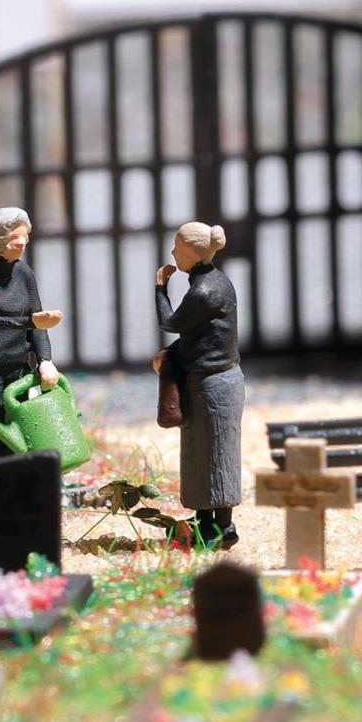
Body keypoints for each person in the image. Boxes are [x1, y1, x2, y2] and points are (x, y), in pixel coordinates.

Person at [155, 221, 243, 548]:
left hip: (212, 384)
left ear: (191, 254)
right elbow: (202, 335)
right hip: (208, 379)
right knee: (201, 452)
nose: (172, 253)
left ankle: (221, 527)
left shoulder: (204, 291)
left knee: (215, 453)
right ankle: (206, 521)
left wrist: (160, 288)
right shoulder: (216, 281)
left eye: (177, 249)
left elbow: (170, 323)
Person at [0, 207, 62, 471]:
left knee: (20, 432)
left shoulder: (24, 273)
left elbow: (38, 319)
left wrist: (45, 359)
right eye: (15, 238)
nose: (22, 242)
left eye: (25, 236)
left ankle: (18, 492)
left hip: (19, 367)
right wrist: (29, 322)